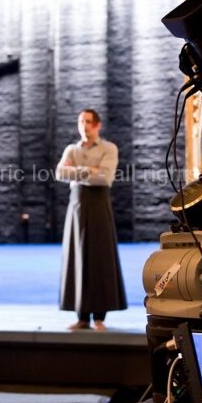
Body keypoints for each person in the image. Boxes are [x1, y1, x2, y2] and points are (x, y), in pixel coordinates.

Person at [56, 108, 127, 331]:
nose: (83, 125)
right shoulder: (71, 149)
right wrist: (90, 170)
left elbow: (104, 178)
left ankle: (99, 317)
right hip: (76, 209)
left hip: (98, 208)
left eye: (88, 121)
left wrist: (76, 172)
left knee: (99, 259)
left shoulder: (109, 148)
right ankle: (82, 317)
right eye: (80, 121)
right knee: (77, 258)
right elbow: (59, 173)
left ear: (97, 125)